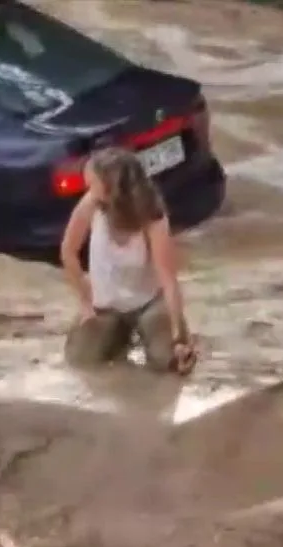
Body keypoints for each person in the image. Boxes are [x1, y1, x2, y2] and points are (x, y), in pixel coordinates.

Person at [60, 146, 197, 375]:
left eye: (93, 183)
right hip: (105, 305)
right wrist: (86, 303)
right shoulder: (91, 204)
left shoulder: (152, 217)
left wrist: (178, 334)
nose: (88, 188)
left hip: (148, 302)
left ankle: (159, 335)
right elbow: (68, 251)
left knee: (168, 361)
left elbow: (168, 280)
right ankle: (120, 335)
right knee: (81, 360)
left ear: (111, 187)